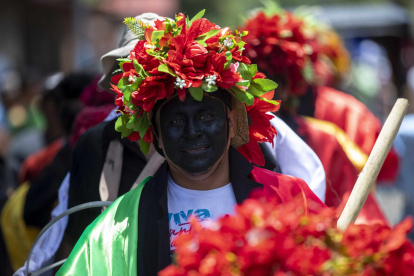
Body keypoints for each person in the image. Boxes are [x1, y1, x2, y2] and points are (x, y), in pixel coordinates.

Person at [57, 11, 325, 275]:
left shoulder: (290, 198)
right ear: (156, 133)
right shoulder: (118, 228)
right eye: (175, 122)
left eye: (207, 116)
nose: (193, 132)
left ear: (231, 121)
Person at [240, 7, 388, 224]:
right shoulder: (228, 142)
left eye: (273, 79)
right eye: (253, 78)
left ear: (291, 85)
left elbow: (359, 215)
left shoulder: (326, 140)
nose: (263, 90)